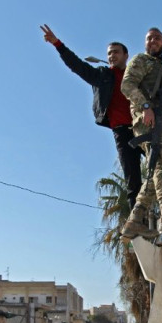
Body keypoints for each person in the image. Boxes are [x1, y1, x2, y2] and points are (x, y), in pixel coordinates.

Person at [40, 24, 143, 211]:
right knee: (133, 178)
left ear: (126, 55)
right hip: (122, 131)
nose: (112, 56)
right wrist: (58, 44)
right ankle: (138, 222)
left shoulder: (137, 76)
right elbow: (77, 66)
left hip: (144, 127)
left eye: (116, 52)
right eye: (109, 53)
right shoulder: (103, 75)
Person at [120, 27, 162, 238]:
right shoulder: (141, 60)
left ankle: (134, 221)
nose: (154, 41)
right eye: (150, 38)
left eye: (158, 38)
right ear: (145, 43)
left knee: (160, 169)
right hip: (149, 118)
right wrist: (145, 107)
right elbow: (127, 85)